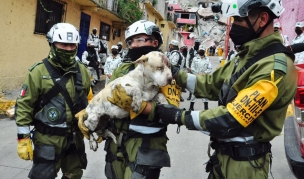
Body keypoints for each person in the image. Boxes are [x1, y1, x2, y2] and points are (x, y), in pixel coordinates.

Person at [107, 0, 298, 179]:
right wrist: (172, 72)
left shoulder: (274, 67)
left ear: (262, 19)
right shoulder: (245, 57)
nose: (233, 27)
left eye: (239, 20)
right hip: (222, 158)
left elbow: (230, 118)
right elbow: (208, 85)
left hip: (245, 167)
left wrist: (174, 115)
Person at [77, 20, 181, 179]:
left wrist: (137, 106)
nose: (133, 45)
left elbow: (170, 111)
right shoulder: (123, 68)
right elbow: (107, 97)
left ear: (155, 41)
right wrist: (91, 113)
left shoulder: (167, 72)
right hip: (116, 144)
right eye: (131, 41)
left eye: (139, 40)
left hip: (146, 146)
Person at [15, 23, 92, 179]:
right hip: (47, 138)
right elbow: (24, 105)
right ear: (52, 44)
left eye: (72, 45)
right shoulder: (37, 72)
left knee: (74, 174)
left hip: (74, 138)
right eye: (63, 44)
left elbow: (88, 99)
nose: (69, 49)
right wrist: (23, 139)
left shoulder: (82, 70)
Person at [188, 45, 212, 110]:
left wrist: (204, 73)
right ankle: (191, 107)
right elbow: (192, 68)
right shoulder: (195, 59)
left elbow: (210, 68)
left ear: (204, 51)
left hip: (204, 78)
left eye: (202, 51)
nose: (201, 52)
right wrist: (197, 73)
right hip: (196, 78)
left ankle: (206, 108)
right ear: (198, 51)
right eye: (200, 50)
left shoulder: (208, 59)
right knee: (194, 92)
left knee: (205, 92)